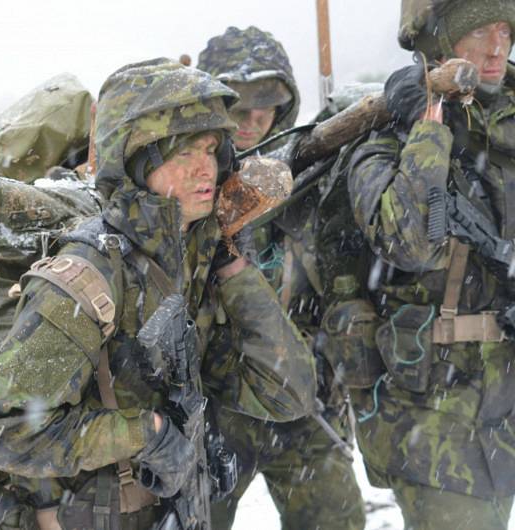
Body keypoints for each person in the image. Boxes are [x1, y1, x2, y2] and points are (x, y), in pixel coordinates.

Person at [0, 57, 317, 529]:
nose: (206, 169)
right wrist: (144, 433)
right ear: (137, 165)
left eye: (212, 149)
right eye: (183, 154)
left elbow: (288, 393)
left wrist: (234, 269)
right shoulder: (86, 277)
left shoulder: (195, 267)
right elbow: (3, 432)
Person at [347, 1, 515, 528]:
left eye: (505, 29)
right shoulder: (383, 146)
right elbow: (411, 242)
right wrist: (428, 125)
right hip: (436, 419)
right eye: (479, 30)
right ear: (439, 42)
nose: (496, 47)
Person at [197, 27, 365, 530]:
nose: (254, 120)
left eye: (266, 106)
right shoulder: (184, 183)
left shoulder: (308, 174)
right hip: (217, 405)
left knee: (336, 521)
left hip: (301, 400)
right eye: (240, 106)